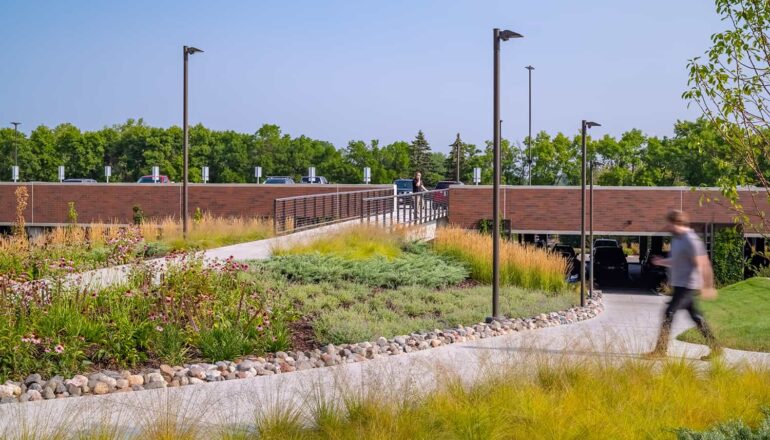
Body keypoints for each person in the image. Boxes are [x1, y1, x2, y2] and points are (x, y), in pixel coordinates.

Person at [643, 209, 721, 361]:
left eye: (669, 224)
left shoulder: (691, 240)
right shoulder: (677, 239)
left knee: (669, 313)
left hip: (687, 286)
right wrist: (661, 262)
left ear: (677, 223)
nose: (668, 228)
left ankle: (660, 351)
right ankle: (716, 347)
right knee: (696, 317)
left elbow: (703, 263)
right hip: (679, 285)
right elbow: (677, 261)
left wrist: (707, 286)